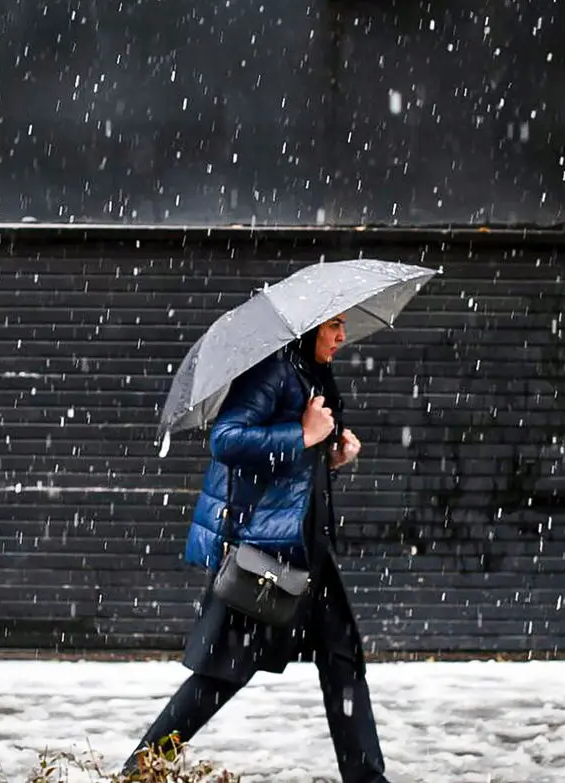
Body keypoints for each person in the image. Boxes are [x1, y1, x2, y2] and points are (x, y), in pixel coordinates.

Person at [122, 313, 393, 783]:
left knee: (343, 657)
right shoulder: (273, 370)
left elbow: (296, 464)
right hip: (268, 548)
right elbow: (226, 440)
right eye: (334, 325)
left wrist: (330, 454)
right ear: (310, 329)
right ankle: (138, 770)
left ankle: (367, 778)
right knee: (221, 671)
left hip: (308, 546)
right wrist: (302, 435)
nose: (342, 336)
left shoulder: (312, 371)